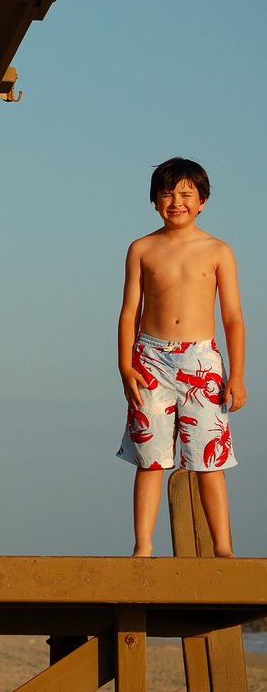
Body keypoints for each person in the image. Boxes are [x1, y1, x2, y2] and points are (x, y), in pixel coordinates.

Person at [116, 157, 246, 557]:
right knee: (151, 459)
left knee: (210, 461)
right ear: (154, 201)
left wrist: (237, 375)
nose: (177, 202)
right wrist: (125, 366)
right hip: (150, 357)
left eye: (187, 194)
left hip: (201, 360)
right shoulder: (142, 248)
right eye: (168, 194)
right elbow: (128, 312)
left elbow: (233, 318)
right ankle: (143, 548)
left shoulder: (217, 250)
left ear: (202, 200)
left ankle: (223, 548)